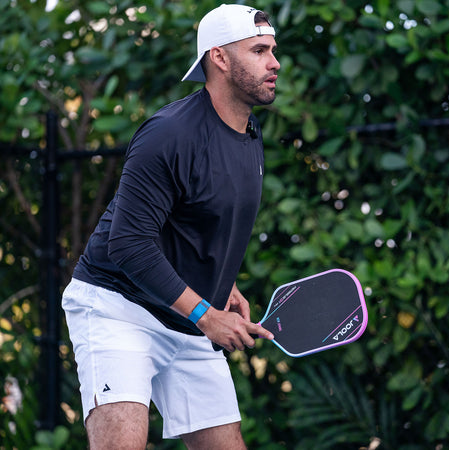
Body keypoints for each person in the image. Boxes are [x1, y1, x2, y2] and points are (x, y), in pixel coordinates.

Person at [62, 4, 280, 449]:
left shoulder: (248, 133)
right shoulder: (169, 134)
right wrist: (205, 313)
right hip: (118, 308)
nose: (274, 63)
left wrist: (225, 283)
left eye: (273, 50)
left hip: (187, 318)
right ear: (219, 58)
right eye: (259, 50)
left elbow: (204, 218)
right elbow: (128, 242)